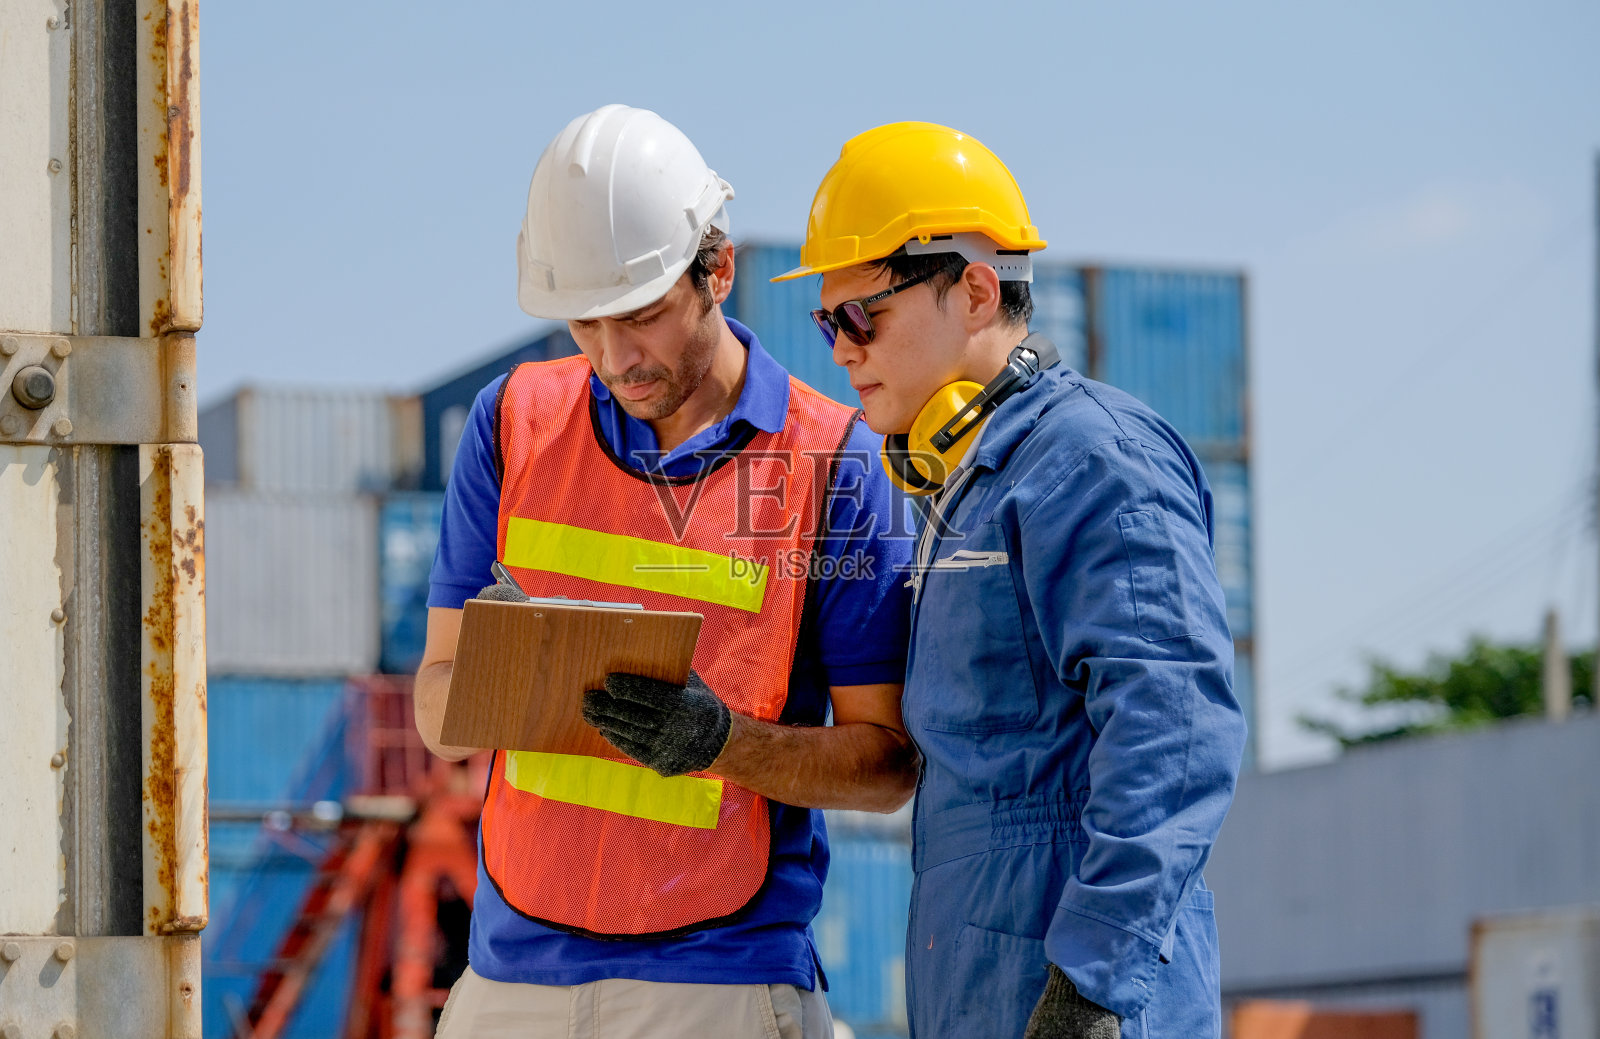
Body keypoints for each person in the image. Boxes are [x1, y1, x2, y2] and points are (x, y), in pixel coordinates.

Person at [413, 105, 919, 1039]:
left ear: (717, 271)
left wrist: (720, 742)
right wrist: (508, 667)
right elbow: (437, 716)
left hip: (718, 981)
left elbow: (887, 766)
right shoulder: (510, 421)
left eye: (642, 318)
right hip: (509, 979)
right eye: (585, 325)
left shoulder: (834, 462)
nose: (614, 360)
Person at [774, 122, 1248, 1039]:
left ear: (977, 290)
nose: (840, 348)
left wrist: (1095, 985)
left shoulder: (1092, 461)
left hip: (1082, 1003)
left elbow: (1177, 722)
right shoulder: (967, 489)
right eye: (824, 322)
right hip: (986, 995)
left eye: (859, 315)